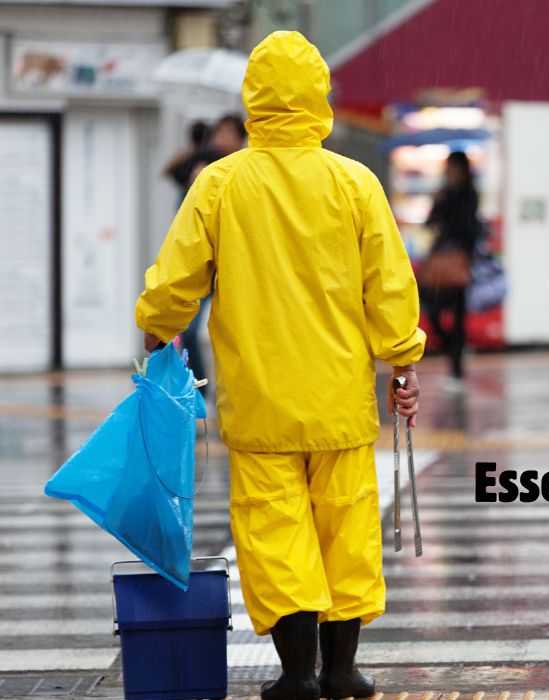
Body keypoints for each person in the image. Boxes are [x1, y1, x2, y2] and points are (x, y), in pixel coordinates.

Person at [135, 31, 424, 700]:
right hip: (339, 398)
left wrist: (156, 329)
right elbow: (388, 286)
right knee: (346, 529)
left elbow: (176, 279)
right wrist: (402, 361)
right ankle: (342, 669)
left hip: (260, 400)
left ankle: (296, 675)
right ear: (320, 97)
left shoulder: (221, 183)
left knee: (275, 530)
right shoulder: (355, 182)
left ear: (254, 100)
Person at [174, 114, 248, 397]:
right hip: (205, 265)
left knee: (236, 333)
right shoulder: (202, 167)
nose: (222, 139)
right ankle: (199, 388)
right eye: (219, 132)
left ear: (240, 139)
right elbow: (185, 224)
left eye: (229, 133)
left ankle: (231, 389)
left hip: (235, 266)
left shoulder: (246, 171)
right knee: (190, 330)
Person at [421, 150, 480, 383]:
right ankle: (452, 350)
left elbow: (468, 226)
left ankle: (456, 368)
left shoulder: (468, 194)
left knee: (458, 317)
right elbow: (430, 223)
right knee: (430, 306)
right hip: (440, 262)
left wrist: (448, 202)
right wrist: (438, 203)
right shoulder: (444, 192)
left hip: (459, 263)